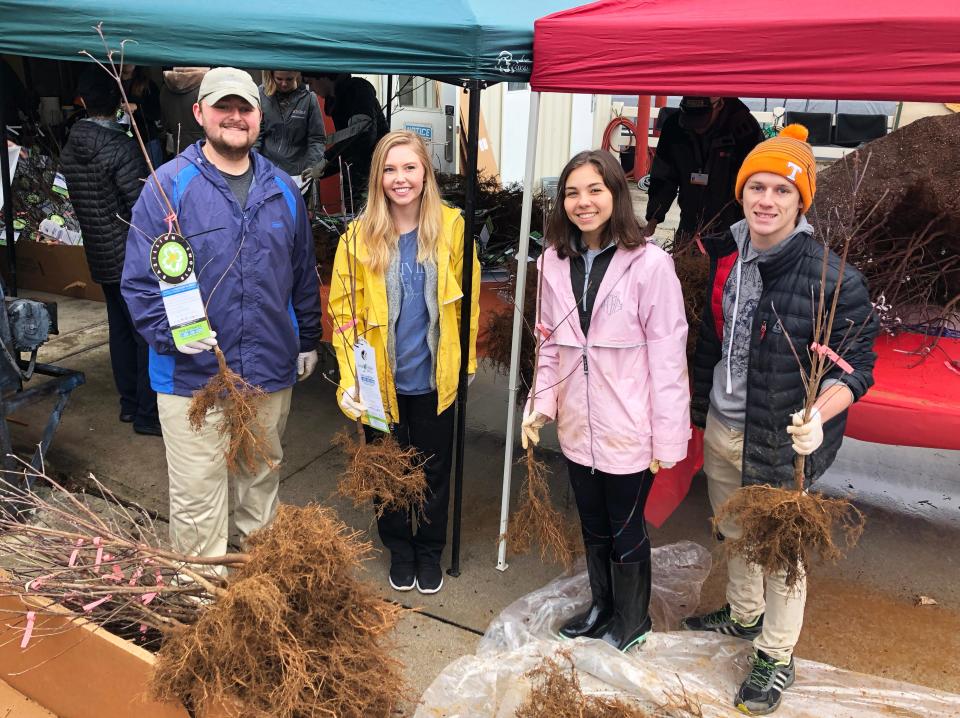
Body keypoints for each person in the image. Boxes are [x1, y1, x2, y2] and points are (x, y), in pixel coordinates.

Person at [680, 125, 878, 715]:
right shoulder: (723, 258)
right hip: (723, 424)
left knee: (782, 550)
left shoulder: (833, 278)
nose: (766, 200)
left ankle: (776, 654)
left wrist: (820, 415)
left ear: (801, 201)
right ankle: (742, 617)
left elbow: (857, 366)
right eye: (756, 187)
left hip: (783, 439)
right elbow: (711, 340)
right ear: (741, 193)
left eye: (781, 191)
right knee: (733, 529)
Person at [121, 68, 322, 563]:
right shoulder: (167, 188)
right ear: (199, 113)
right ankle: (202, 607)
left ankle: (259, 594)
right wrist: (169, 336)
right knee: (197, 501)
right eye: (222, 107)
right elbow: (139, 283)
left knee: (260, 486)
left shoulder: (282, 190)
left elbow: (300, 274)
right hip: (192, 378)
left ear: (260, 117)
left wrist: (307, 339)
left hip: (268, 371)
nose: (235, 117)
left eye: (245, 108)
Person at [520, 150, 691, 652]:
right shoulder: (552, 261)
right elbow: (548, 341)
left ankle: (632, 618)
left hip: (629, 426)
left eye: (595, 189)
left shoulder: (650, 264)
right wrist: (541, 404)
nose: (583, 202)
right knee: (592, 523)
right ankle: (602, 606)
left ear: (616, 194)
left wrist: (668, 435)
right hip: (579, 425)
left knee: (625, 525)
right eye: (572, 192)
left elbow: (667, 356)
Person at [328, 130, 479, 595]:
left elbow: (467, 305)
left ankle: (430, 550)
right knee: (388, 470)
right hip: (380, 383)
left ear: (425, 173)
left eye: (409, 167)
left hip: (434, 378)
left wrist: (464, 361)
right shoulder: (358, 238)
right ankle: (401, 548)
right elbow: (343, 310)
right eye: (390, 169)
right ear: (378, 178)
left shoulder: (452, 228)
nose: (400, 178)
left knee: (433, 471)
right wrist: (352, 378)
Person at [59, 66, 159, 435]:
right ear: (118, 100)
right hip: (130, 252)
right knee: (144, 334)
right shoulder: (120, 147)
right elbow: (141, 207)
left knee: (119, 330)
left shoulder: (72, 145)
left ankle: (129, 405)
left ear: (82, 102)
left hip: (100, 251)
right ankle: (148, 414)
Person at [644, 97, 763, 247]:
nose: (696, 127)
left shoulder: (746, 129)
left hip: (732, 222)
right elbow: (663, 175)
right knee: (684, 262)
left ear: (719, 104)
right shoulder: (675, 127)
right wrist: (653, 218)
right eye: (690, 118)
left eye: (701, 119)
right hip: (689, 219)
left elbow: (758, 181)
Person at [306, 73, 388, 211]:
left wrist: (326, 160)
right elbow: (347, 147)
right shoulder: (336, 98)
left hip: (374, 175)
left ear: (323, 76)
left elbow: (362, 137)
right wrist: (322, 170)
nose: (312, 89)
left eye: (311, 82)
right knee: (352, 222)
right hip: (352, 177)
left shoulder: (358, 91)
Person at [254, 70, 326, 180]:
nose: (284, 83)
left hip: (296, 173)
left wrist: (312, 166)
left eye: (289, 79)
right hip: (266, 170)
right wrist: (250, 164)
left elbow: (316, 138)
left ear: (297, 75)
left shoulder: (309, 99)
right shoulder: (261, 95)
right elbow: (256, 135)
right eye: (279, 79)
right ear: (272, 75)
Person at [120, 64, 164, 167]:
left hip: (147, 139)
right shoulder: (113, 84)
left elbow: (156, 113)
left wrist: (136, 107)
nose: (127, 63)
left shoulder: (147, 84)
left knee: (153, 176)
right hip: (123, 140)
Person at [159, 67, 209, 154]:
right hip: (205, 147)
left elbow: (165, 124)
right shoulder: (207, 87)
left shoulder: (165, 88)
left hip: (179, 147)